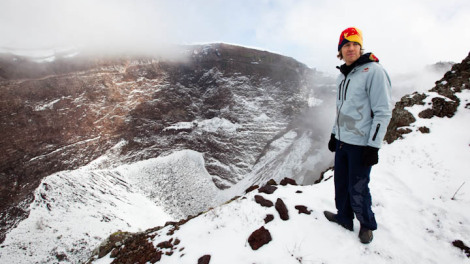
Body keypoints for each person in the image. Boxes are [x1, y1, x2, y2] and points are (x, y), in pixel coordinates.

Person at [324, 27, 392, 244]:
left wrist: (373, 146)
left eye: (354, 44)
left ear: (360, 46)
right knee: (341, 183)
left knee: (358, 187)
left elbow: (383, 112)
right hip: (343, 142)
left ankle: (366, 225)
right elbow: (341, 109)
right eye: (346, 45)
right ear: (340, 51)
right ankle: (344, 217)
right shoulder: (341, 77)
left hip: (361, 144)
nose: (350, 48)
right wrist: (335, 134)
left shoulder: (374, 71)